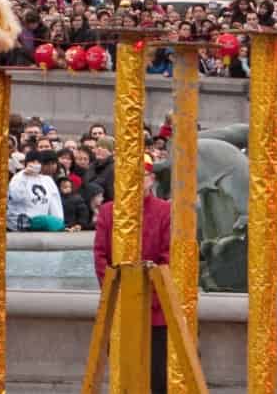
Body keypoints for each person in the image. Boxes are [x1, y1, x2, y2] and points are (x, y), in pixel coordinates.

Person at [92, 158, 174, 393]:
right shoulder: (108, 212)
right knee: (122, 374)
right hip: (119, 308)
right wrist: (114, 292)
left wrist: (150, 297)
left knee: (158, 375)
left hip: (156, 311)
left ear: (151, 180)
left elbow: (168, 257)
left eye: (143, 177)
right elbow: (100, 256)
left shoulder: (164, 211)